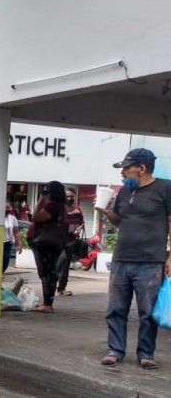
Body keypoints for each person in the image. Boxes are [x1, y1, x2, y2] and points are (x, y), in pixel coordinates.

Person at [96, 148, 171, 369]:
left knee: (147, 312)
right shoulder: (124, 192)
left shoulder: (164, 188)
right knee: (115, 309)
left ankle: (146, 353)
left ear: (142, 168)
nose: (122, 174)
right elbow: (120, 222)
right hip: (121, 259)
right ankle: (115, 350)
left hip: (150, 261)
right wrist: (107, 212)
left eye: (126, 169)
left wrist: (170, 256)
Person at [29, 181, 68, 313]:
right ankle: (47, 302)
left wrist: (41, 200)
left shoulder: (52, 206)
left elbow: (35, 217)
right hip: (55, 242)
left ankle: (47, 304)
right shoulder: (62, 206)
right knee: (50, 272)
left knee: (45, 272)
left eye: (46, 191)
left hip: (45, 243)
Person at [56, 188, 85, 296]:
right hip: (58, 241)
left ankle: (61, 288)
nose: (69, 198)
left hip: (71, 241)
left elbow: (81, 222)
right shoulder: (59, 208)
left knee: (66, 266)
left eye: (71, 196)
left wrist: (79, 228)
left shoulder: (77, 209)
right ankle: (50, 285)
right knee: (59, 263)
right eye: (67, 196)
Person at [3, 202, 23, 274]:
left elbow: (16, 232)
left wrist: (19, 244)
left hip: (8, 244)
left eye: (9, 207)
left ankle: (1, 275)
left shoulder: (12, 218)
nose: (7, 209)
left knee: (5, 262)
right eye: (6, 207)